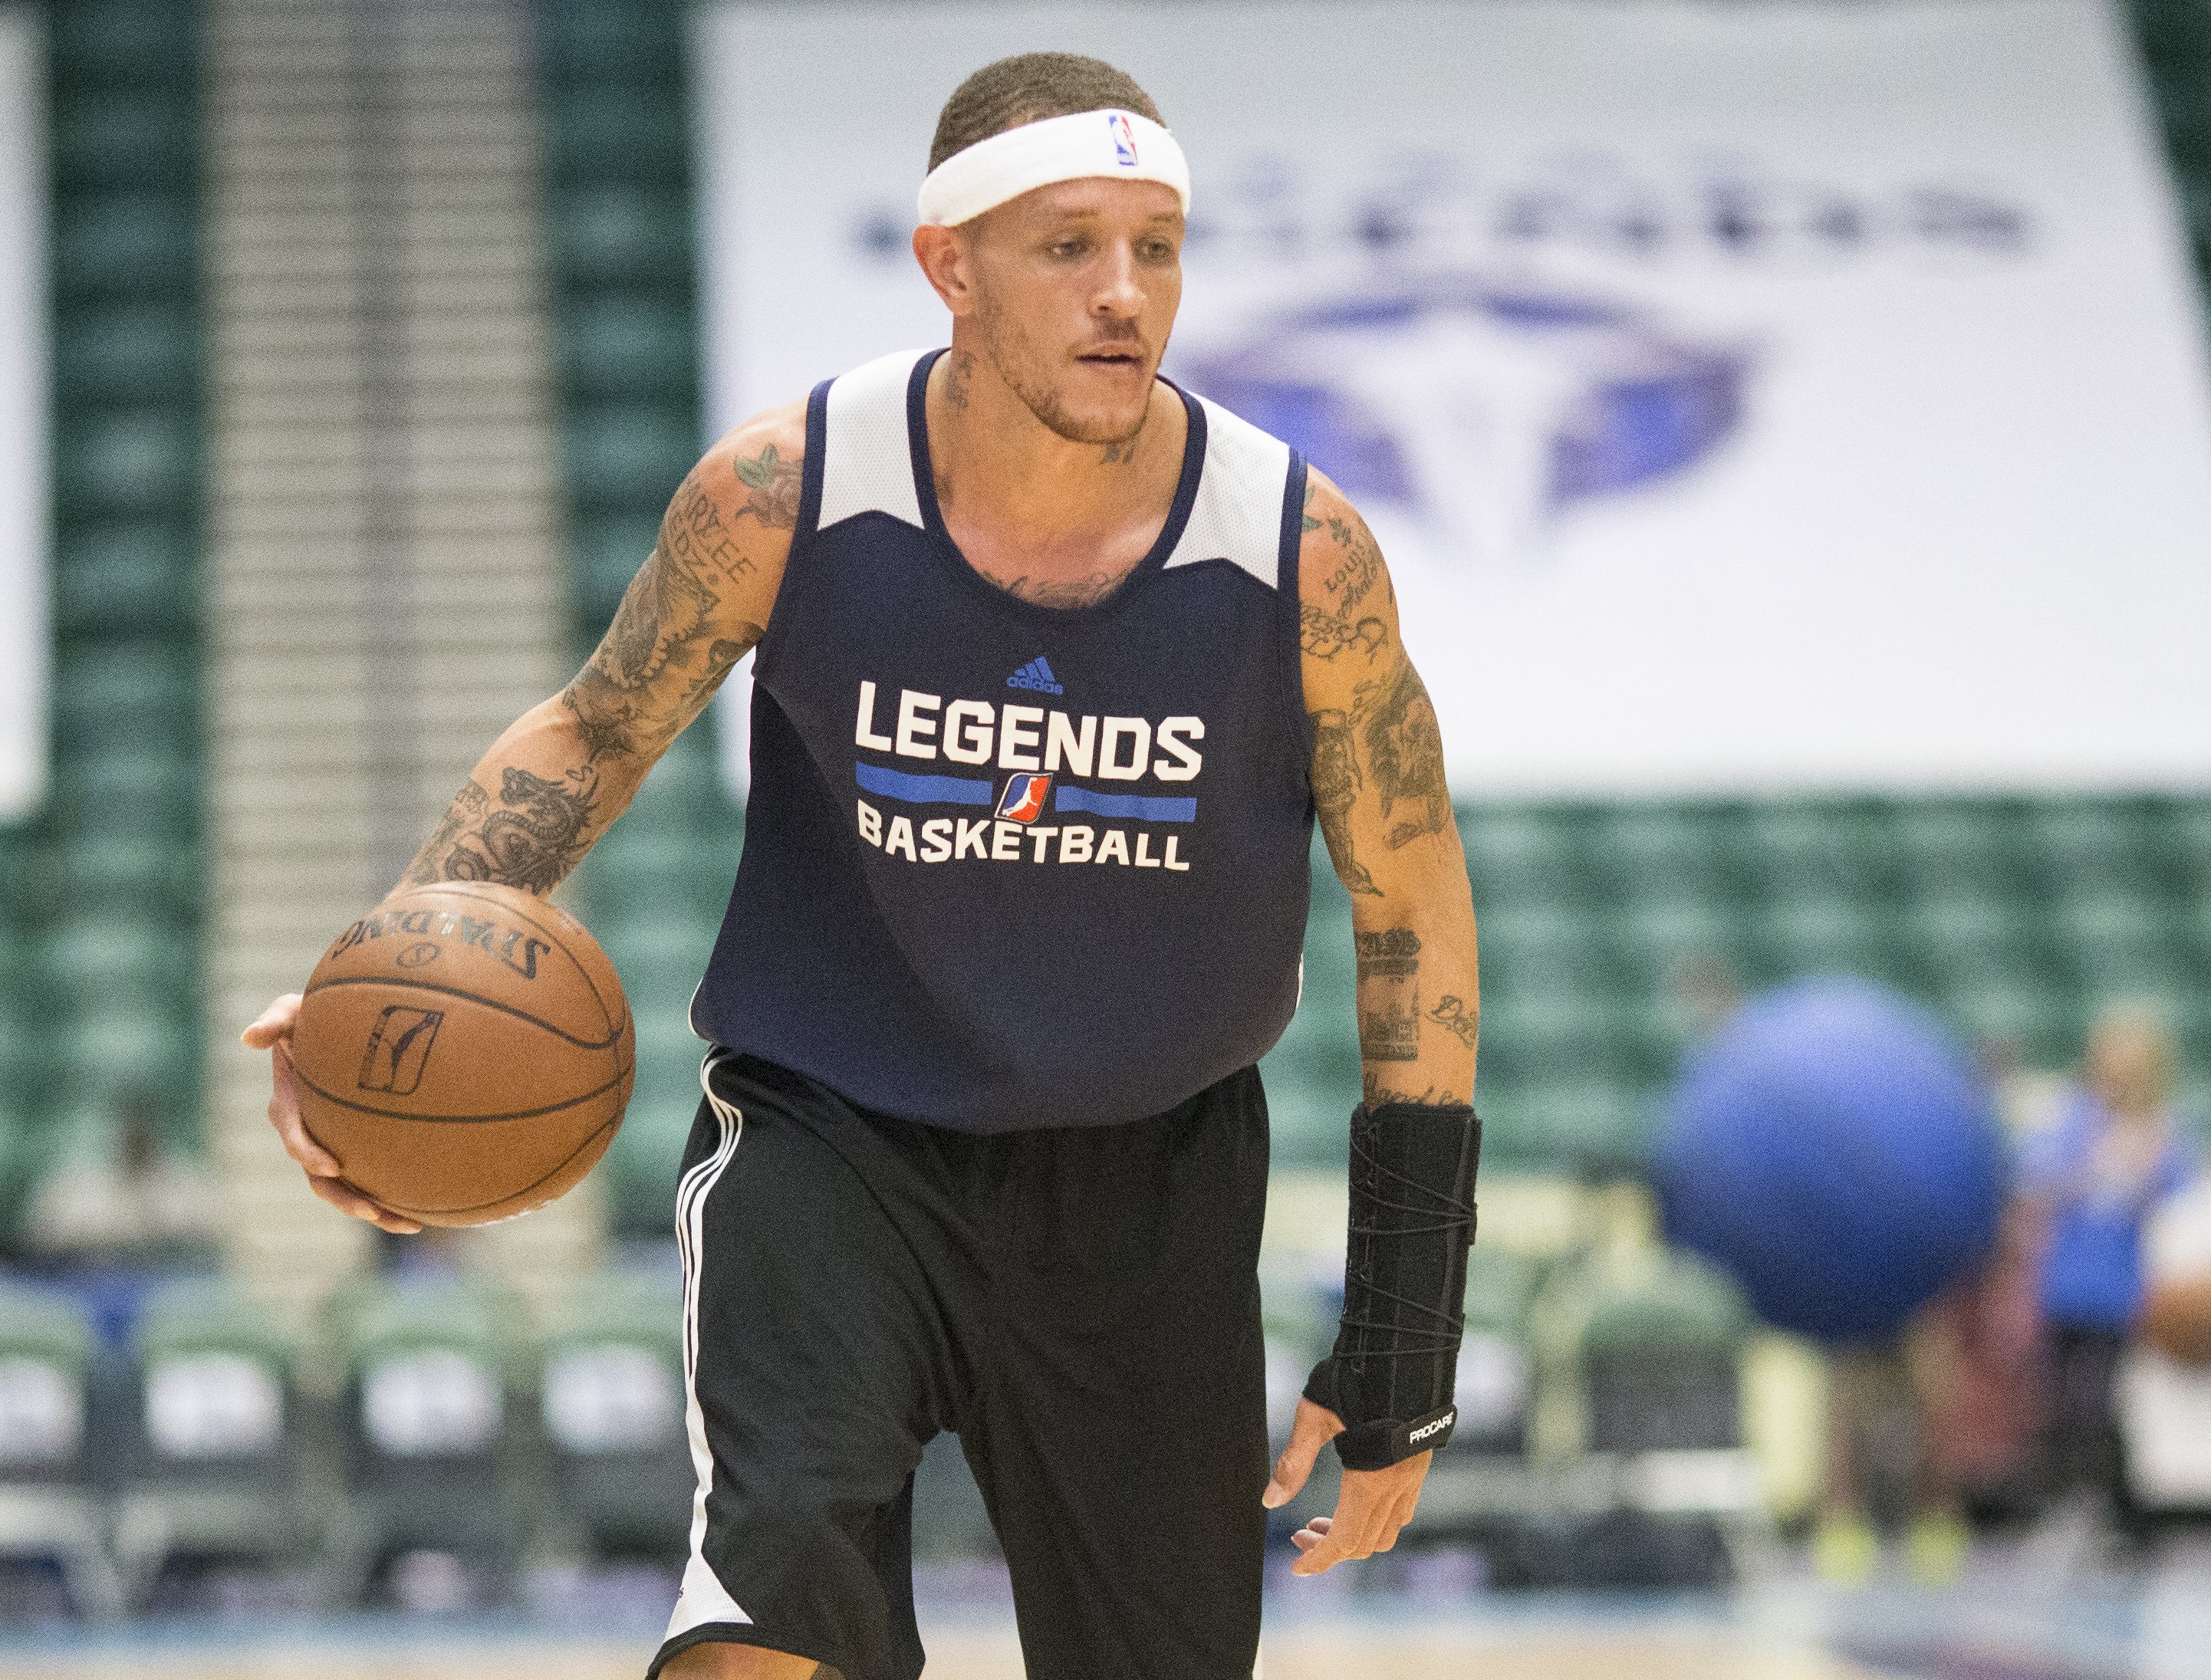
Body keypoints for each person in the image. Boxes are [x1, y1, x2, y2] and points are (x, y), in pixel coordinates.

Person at [243, 53, 1482, 1680]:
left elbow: (1412, 915)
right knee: (776, 1593)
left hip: (1148, 1179)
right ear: (947, 264)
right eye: (1067, 247)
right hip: (831, 1137)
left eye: (1156, 246)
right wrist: (391, 988)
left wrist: (1404, 1321)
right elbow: (594, 733)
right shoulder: (787, 492)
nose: (1125, 295)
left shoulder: (1296, 556)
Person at [2020, 1004, 2196, 1526]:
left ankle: (2113, 1510)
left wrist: (2145, 1164)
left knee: (2106, 1405)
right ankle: (2070, 1504)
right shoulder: (2073, 1120)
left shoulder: (2160, 1130)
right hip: (2066, 1287)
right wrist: (2090, 1160)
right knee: (2064, 1403)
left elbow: (2179, 1197)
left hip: (2121, 1293)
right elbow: (2036, 1178)